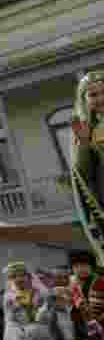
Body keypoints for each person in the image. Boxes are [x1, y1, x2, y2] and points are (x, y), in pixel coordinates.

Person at [72, 71, 104, 266]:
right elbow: (83, 175)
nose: (100, 98)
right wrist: (84, 143)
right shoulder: (85, 130)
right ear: (84, 100)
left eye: (103, 92)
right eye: (93, 95)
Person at [1, 262, 55, 340]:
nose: (18, 279)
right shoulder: (9, 297)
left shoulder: (41, 293)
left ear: (29, 277)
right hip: (18, 335)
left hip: (41, 334)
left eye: (22, 275)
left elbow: (49, 315)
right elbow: (10, 320)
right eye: (14, 277)